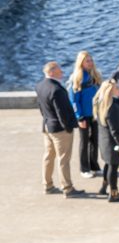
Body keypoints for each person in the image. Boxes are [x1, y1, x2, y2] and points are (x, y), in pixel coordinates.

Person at [36, 61, 84, 197]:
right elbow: (61, 112)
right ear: (51, 72)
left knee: (48, 157)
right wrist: (69, 128)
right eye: (59, 70)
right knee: (63, 159)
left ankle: (48, 185)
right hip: (59, 130)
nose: (62, 72)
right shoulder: (56, 89)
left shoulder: (40, 86)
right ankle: (67, 188)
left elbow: (41, 107)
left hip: (47, 126)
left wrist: (46, 120)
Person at [93, 79, 119, 202]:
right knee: (113, 167)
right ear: (110, 91)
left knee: (108, 164)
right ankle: (113, 193)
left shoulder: (100, 103)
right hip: (113, 143)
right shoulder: (112, 108)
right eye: (117, 88)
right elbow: (116, 131)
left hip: (105, 142)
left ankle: (104, 187)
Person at [68, 50, 102, 178]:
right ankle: (84, 168)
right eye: (87, 61)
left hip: (94, 114)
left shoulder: (95, 75)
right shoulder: (77, 77)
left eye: (91, 60)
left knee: (95, 140)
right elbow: (73, 100)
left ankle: (94, 165)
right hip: (83, 115)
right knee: (84, 141)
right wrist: (79, 116)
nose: (90, 63)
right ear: (81, 63)